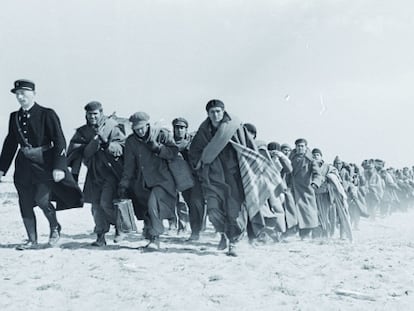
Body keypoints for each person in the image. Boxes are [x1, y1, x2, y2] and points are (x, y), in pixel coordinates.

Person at [0, 79, 83, 250]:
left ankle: (54, 227)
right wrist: (1, 169)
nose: (20, 97)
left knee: (42, 199)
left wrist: (59, 167)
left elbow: (59, 141)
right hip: (23, 166)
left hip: (44, 164)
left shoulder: (47, 114)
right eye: (17, 94)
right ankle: (32, 240)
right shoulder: (14, 117)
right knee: (24, 201)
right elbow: (10, 143)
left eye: (24, 93)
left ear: (33, 94)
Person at [189, 100, 280, 256]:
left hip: (234, 176)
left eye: (218, 111)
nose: (215, 115)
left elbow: (249, 147)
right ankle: (223, 233)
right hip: (213, 178)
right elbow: (194, 152)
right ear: (208, 114)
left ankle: (234, 242)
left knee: (235, 212)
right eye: (212, 112)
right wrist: (202, 164)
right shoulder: (203, 131)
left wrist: (252, 168)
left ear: (224, 112)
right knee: (213, 210)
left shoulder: (235, 127)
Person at [67, 101, 126, 246]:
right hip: (93, 172)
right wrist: (90, 145)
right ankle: (100, 236)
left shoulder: (112, 127)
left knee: (106, 203)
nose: (92, 117)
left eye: (95, 114)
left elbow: (122, 146)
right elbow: (74, 150)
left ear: (101, 113)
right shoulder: (82, 131)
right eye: (89, 114)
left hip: (111, 171)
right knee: (95, 206)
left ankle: (120, 227)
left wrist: (107, 144)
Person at [118, 112, 178, 249]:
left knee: (153, 205)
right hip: (142, 182)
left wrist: (158, 148)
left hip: (163, 180)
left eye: (142, 128)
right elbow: (129, 166)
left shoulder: (161, 134)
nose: (140, 131)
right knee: (147, 211)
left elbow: (174, 153)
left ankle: (155, 239)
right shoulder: (131, 141)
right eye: (136, 129)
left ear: (148, 124)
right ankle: (152, 236)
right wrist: (124, 184)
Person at [171, 117, 205, 241]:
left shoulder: (192, 142)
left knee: (197, 203)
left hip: (196, 177)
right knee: (189, 203)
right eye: (177, 127)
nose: (179, 130)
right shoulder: (171, 143)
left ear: (186, 129)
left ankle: (196, 231)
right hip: (182, 179)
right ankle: (190, 229)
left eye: (182, 128)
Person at [289, 138, 322, 239]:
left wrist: (315, 183)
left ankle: (306, 235)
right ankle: (294, 233)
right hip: (293, 189)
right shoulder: (291, 158)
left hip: (306, 190)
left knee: (307, 214)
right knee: (293, 212)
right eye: (298, 146)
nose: (300, 148)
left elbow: (318, 174)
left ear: (306, 147)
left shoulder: (310, 160)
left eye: (302, 146)